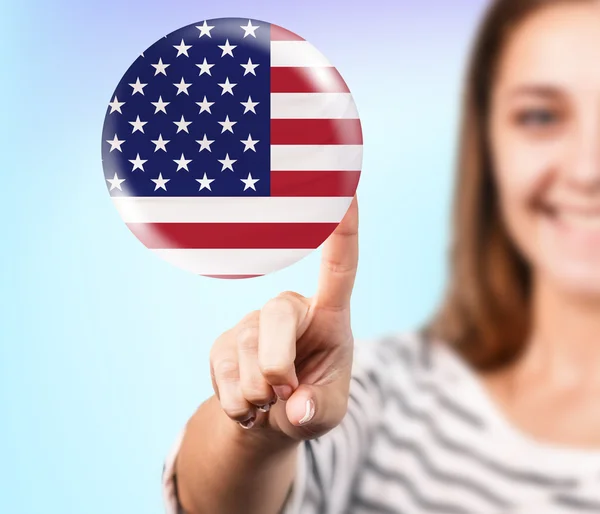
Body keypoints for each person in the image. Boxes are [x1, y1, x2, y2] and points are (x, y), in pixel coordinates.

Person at [162, 0, 600, 512]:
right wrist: (260, 430)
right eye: (541, 116)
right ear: (489, 146)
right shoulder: (387, 391)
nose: (588, 169)